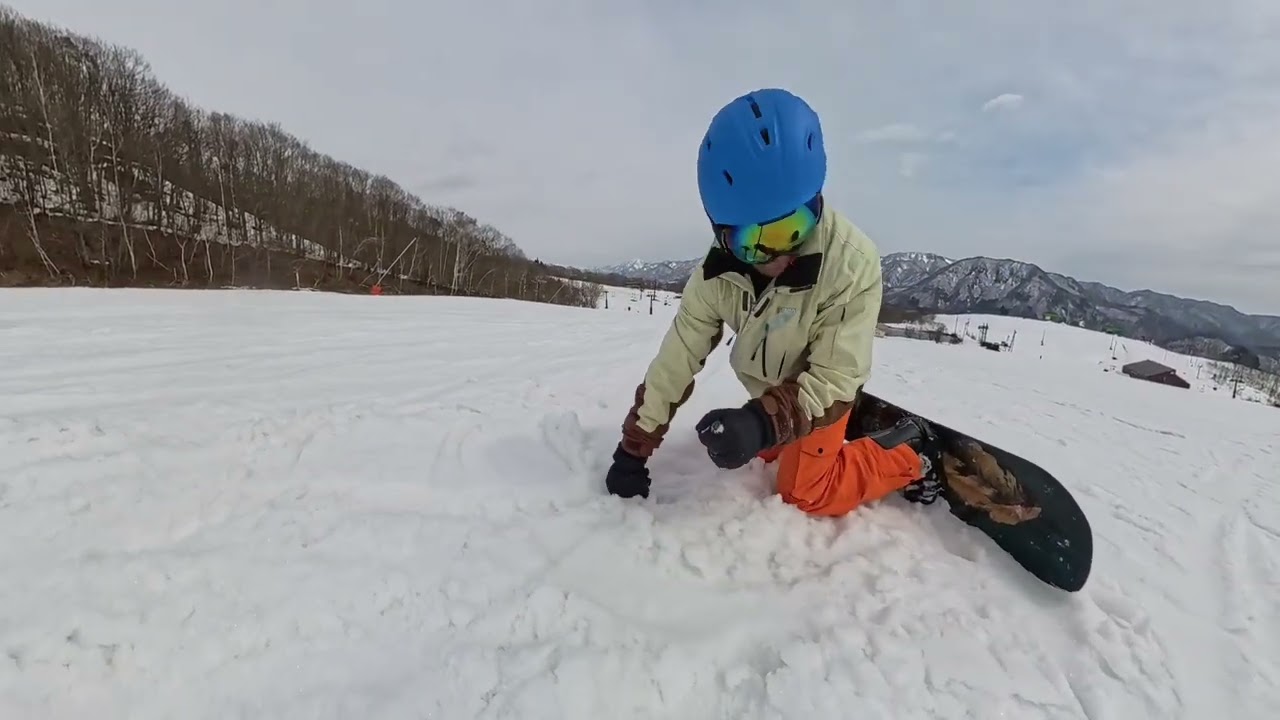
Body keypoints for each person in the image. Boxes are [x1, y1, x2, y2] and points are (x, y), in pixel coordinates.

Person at [604, 87, 944, 517]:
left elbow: (836, 377)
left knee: (804, 492)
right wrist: (634, 448)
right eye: (753, 242)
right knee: (764, 454)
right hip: (776, 396)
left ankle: (910, 452)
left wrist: (762, 422)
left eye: (793, 229)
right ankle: (809, 436)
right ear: (722, 233)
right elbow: (677, 358)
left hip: (821, 390)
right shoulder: (714, 277)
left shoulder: (851, 264)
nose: (780, 254)